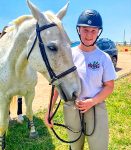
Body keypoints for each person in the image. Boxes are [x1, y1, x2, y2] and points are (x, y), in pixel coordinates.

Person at [45, 9, 117, 150]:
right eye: (85, 30)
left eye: (93, 31)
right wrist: (49, 110)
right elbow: (57, 85)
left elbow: (109, 86)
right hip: (72, 109)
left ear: (99, 32)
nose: (89, 35)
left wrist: (92, 101)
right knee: (75, 147)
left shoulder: (104, 58)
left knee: (99, 147)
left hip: (96, 109)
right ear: (78, 29)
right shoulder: (68, 55)